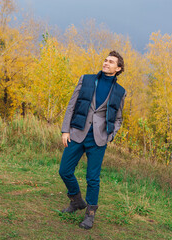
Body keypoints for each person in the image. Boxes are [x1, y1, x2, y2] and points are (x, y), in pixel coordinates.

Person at [59, 50, 126, 229]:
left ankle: (89, 214)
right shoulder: (86, 79)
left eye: (111, 62)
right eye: (105, 60)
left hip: (98, 139)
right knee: (64, 170)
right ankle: (76, 200)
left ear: (118, 68)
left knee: (93, 178)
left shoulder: (120, 91)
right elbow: (71, 105)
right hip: (77, 133)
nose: (106, 63)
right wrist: (66, 130)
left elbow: (119, 118)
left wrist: (110, 135)